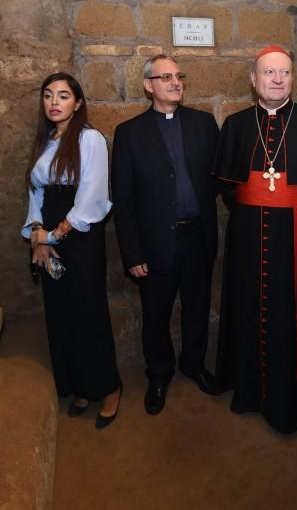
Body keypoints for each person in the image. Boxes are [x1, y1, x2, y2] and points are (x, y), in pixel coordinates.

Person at [213, 45, 297, 434]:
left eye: (284, 72)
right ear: (253, 80)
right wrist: (258, 207)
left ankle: (294, 393)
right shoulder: (235, 125)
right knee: (247, 305)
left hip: (294, 239)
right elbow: (226, 187)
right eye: (268, 72)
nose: (277, 79)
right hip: (247, 237)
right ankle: (249, 390)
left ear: (292, 79)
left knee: (292, 307)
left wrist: (289, 207)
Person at [112, 54, 221, 415]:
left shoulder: (204, 124)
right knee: (156, 314)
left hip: (197, 237)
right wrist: (133, 253)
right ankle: (159, 374)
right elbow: (123, 200)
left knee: (197, 309)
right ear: (149, 85)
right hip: (156, 243)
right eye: (166, 77)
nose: (175, 82)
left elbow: (219, 179)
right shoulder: (129, 134)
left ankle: (193, 363)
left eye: (179, 76)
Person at [22, 72, 121, 429]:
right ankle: (80, 386)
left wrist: (53, 236)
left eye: (63, 96)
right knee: (60, 313)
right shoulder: (46, 140)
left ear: (77, 103)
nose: (54, 102)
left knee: (88, 313)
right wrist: (36, 233)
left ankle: (108, 388)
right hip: (46, 235)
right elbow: (35, 192)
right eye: (48, 95)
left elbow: (92, 199)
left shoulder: (89, 139)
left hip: (78, 237)